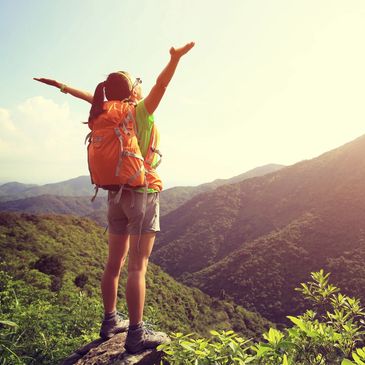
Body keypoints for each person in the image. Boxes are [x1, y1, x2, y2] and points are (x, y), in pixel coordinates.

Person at [34, 42, 195, 353]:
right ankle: (136, 333)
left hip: (113, 196)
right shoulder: (139, 113)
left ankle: (110, 321)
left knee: (113, 264)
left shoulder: (101, 113)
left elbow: (91, 98)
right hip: (141, 195)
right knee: (138, 266)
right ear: (132, 91)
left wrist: (63, 87)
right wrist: (174, 60)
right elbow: (162, 84)